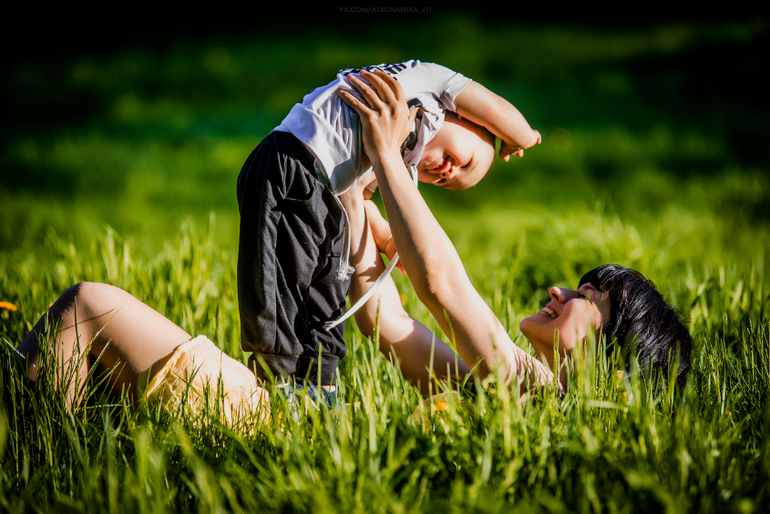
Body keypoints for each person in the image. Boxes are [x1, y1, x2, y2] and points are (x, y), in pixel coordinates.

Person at [337, 69, 693, 395]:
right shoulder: (494, 387)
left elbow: (439, 282)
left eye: (585, 297)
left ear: (614, 366)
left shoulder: (535, 392)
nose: (558, 290)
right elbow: (385, 322)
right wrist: (352, 197)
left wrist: (385, 152)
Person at [236, 60, 542, 391]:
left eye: (443, 182)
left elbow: (362, 202)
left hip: (326, 193)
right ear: (464, 115)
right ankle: (278, 381)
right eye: (465, 161)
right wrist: (523, 137)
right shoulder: (429, 85)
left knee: (329, 291)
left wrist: (385, 238)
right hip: (292, 162)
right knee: (283, 284)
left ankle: (318, 387)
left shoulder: (400, 159)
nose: (448, 173)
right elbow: (500, 109)